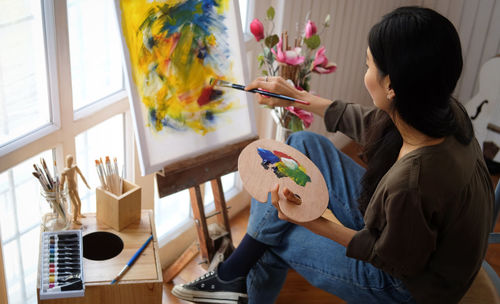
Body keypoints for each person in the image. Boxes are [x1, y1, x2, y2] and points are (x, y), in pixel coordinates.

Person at [172, 6, 494, 304]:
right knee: (300, 145)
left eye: (368, 65)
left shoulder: (413, 182)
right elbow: (372, 123)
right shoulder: (439, 110)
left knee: (271, 240)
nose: (365, 71)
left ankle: (234, 277)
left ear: (392, 85)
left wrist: (314, 221)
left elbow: (391, 258)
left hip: (405, 284)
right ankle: (236, 275)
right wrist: (296, 97)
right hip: (412, 236)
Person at [60, 154, 91, 225]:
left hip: (74, 186)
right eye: (68, 161)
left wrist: (86, 184)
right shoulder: (65, 171)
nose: (70, 162)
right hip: (70, 189)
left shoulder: (74, 167)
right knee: (76, 205)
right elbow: (62, 183)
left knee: (79, 202)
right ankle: (74, 219)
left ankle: (79, 214)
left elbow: (81, 175)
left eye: (71, 161)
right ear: (66, 161)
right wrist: (61, 192)